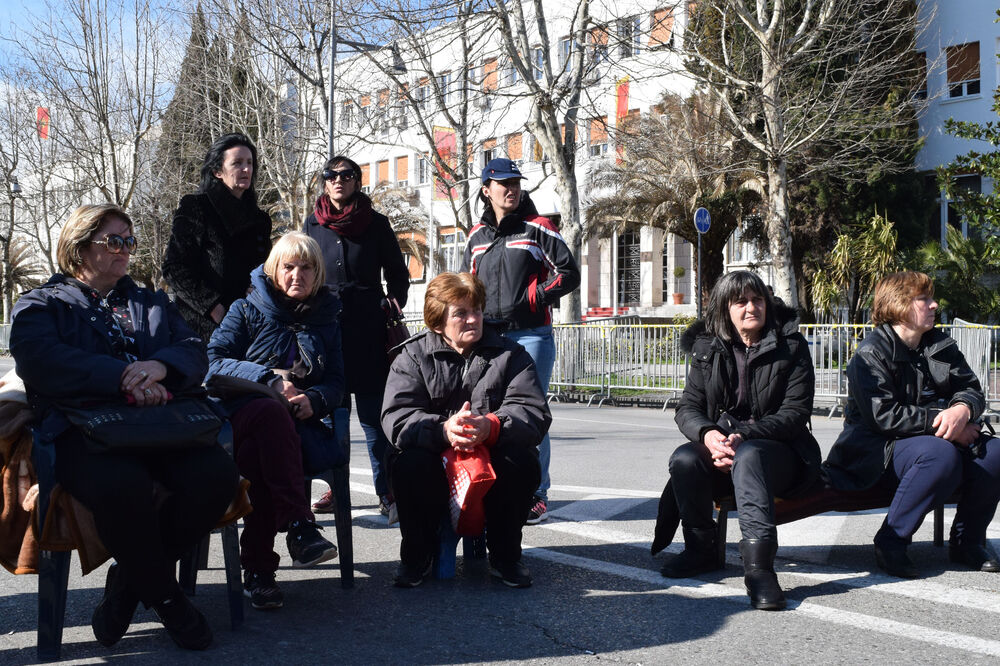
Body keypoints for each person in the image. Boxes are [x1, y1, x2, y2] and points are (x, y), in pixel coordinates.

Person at [10, 204, 239, 650]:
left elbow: (194, 349)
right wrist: (121, 377)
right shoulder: (42, 304)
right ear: (79, 248)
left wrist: (159, 368)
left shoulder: (151, 302)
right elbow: (39, 361)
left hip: (161, 424)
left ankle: (129, 584)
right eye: (114, 241)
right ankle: (169, 599)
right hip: (85, 430)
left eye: (129, 241)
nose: (125, 250)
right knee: (123, 484)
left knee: (216, 475)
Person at [824, 271, 1000, 578]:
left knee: (995, 452)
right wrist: (946, 424)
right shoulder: (871, 353)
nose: (934, 305)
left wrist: (962, 409)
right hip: (874, 453)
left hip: (928, 441)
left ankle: (967, 542)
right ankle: (891, 542)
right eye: (924, 299)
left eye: (932, 298)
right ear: (899, 305)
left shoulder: (940, 345)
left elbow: (970, 389)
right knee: (938, 454)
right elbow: (884, 416)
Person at [662, 270, 820, 611]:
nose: (752, 307)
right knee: (685, 459)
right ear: (724, 309)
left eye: (757, 299)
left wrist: (743, 437)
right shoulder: (707, 348)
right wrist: (709, 435)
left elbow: (795, 413)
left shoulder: (791, 345)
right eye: (741, 302)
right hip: (727, 445)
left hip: (782, 454)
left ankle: (759, 570)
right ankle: (700, 550)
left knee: (749, 456)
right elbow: (688, 407)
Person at [381, 272, 549, 588]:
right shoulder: (412, 357)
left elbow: (533, 411)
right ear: (437, 321)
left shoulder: (511, 355)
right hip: (434, 455)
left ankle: (506, 557)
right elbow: (398, 417)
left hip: (490, 455)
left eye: (477, 310)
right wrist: (444, 430)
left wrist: (491, 426)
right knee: (409, 464)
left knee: (521, 461)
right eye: (461, 313)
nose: (473, 319)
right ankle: (417, 557)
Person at [206, 232, 344, 610]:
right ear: (273, 270)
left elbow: (337, 381)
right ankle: (299, 527)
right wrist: (269, 381)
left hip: (297, 426)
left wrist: (315, 399)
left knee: (265, 454)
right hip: (241, 417)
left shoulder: (327, 318)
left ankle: (259, 573)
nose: (297, 275)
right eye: (289, 267)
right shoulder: (245, 309)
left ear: (318, 274)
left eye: (306, 267)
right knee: (268, 416)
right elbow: (213, 363)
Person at [461, 157, 580, 525]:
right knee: (488, 411)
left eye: (515, 182)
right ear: (487, 190)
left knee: (529, 412)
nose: (511, 189)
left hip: (531, 335)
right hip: (489, 337)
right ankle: (495, 485)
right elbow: (465, 286)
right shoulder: (476, 236)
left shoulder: (538, 227)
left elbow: (569, 272)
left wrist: (535, 297)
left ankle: (536, 494)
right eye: (503, 183)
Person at [303, 155, 409, 517]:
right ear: (324, 181)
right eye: (330, 175)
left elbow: (398, 274)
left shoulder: (376, 223)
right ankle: (336, 489)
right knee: (331, 418)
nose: (338, 180)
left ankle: (387, 491)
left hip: (368, 332)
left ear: (356, 181)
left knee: (374, 420)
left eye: (346, 175)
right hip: (325, 332)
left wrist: (391, 303)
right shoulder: (312, 224)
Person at [163, 132, 273, 341]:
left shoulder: (260, 220)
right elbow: (174, 268)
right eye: (237, 163)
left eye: (250, 163)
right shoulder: (197, 207)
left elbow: (265, 268)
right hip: (203, 329)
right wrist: (213, 307)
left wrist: (260, 289)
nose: (246, 169)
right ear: (217, 171)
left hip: (251, 323)